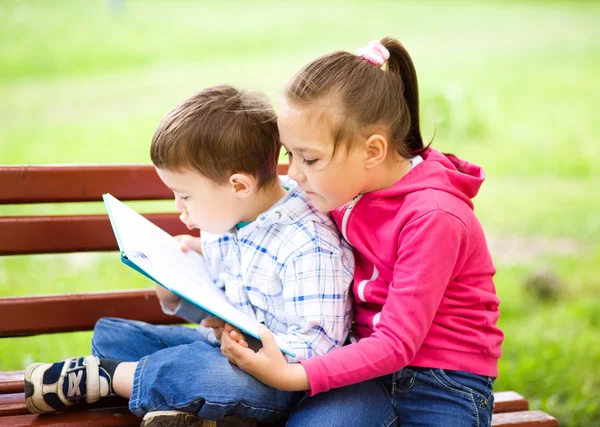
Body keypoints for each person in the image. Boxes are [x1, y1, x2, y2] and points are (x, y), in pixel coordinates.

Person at [23, 85, 354, 426]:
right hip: (223, 351)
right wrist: (177, 291)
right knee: (112, 335)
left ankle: (111, 378)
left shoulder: (308, 245)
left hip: (280, 382)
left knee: (202, 372)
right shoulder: (229, 222)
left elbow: (320, 350)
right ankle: (185, 404)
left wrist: (248, 350)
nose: (179, 208)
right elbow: (217, 309)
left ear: (239, 186)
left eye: (185, 196)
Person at [218, 38, 504, 427]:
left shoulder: (434, 217)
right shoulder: (342, 187)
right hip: (364, 367)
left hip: (444, 381)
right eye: (290, 154)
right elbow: (273, 225)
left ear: (372, 151)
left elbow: (397, 344)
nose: (294, 174)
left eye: (310, 158)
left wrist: (291, 376)